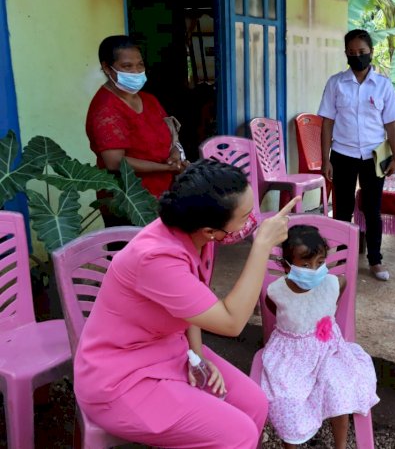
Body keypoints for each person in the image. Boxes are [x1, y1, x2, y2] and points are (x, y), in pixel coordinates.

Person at [74, 159, 300, 448]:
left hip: (168, 351)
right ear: (210, 230)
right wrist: (262, 247)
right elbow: (231, 322)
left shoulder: (194, 235)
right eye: (244, 217)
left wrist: (197, 356)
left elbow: (192, 308)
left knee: (255, 404)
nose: (252, 221)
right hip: (119, 381)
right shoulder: (157, 259)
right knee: (237, 433)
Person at [261, 224, 379, 448]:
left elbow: (336, 294)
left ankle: (341, 445)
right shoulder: (276, 291)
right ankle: (292, 442)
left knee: (339, 388)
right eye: (305, 265)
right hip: (290, 356)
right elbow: (275, 309)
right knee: (287, 400)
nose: (314, 270)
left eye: (320, 262)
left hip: (328, 350)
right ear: (287, 266)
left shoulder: (334, 283)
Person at [319, 29, 395, 281]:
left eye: (362, 52)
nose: (357, 57)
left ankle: (375, 260)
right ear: (346, 53)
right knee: (342, 209)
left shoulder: (383, 85)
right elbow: (327, 124)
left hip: (375, 155)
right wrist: (325, 159)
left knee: (372, 208)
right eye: (352, 53)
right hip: (342, 154)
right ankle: (342, 256)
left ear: (371, 52)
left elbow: (392, 124)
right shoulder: (335, 83)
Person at [86, 35, 188, 224]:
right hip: (128, 199)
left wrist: (175, 153)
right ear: (107, 68)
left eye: (140, 65)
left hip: (164, 195)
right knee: (134, 252)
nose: (136, 71)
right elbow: (115, 162)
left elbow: (171, 133)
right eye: (127, 66)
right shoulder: (106, 108)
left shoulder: (149, 99)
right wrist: (166, 167)